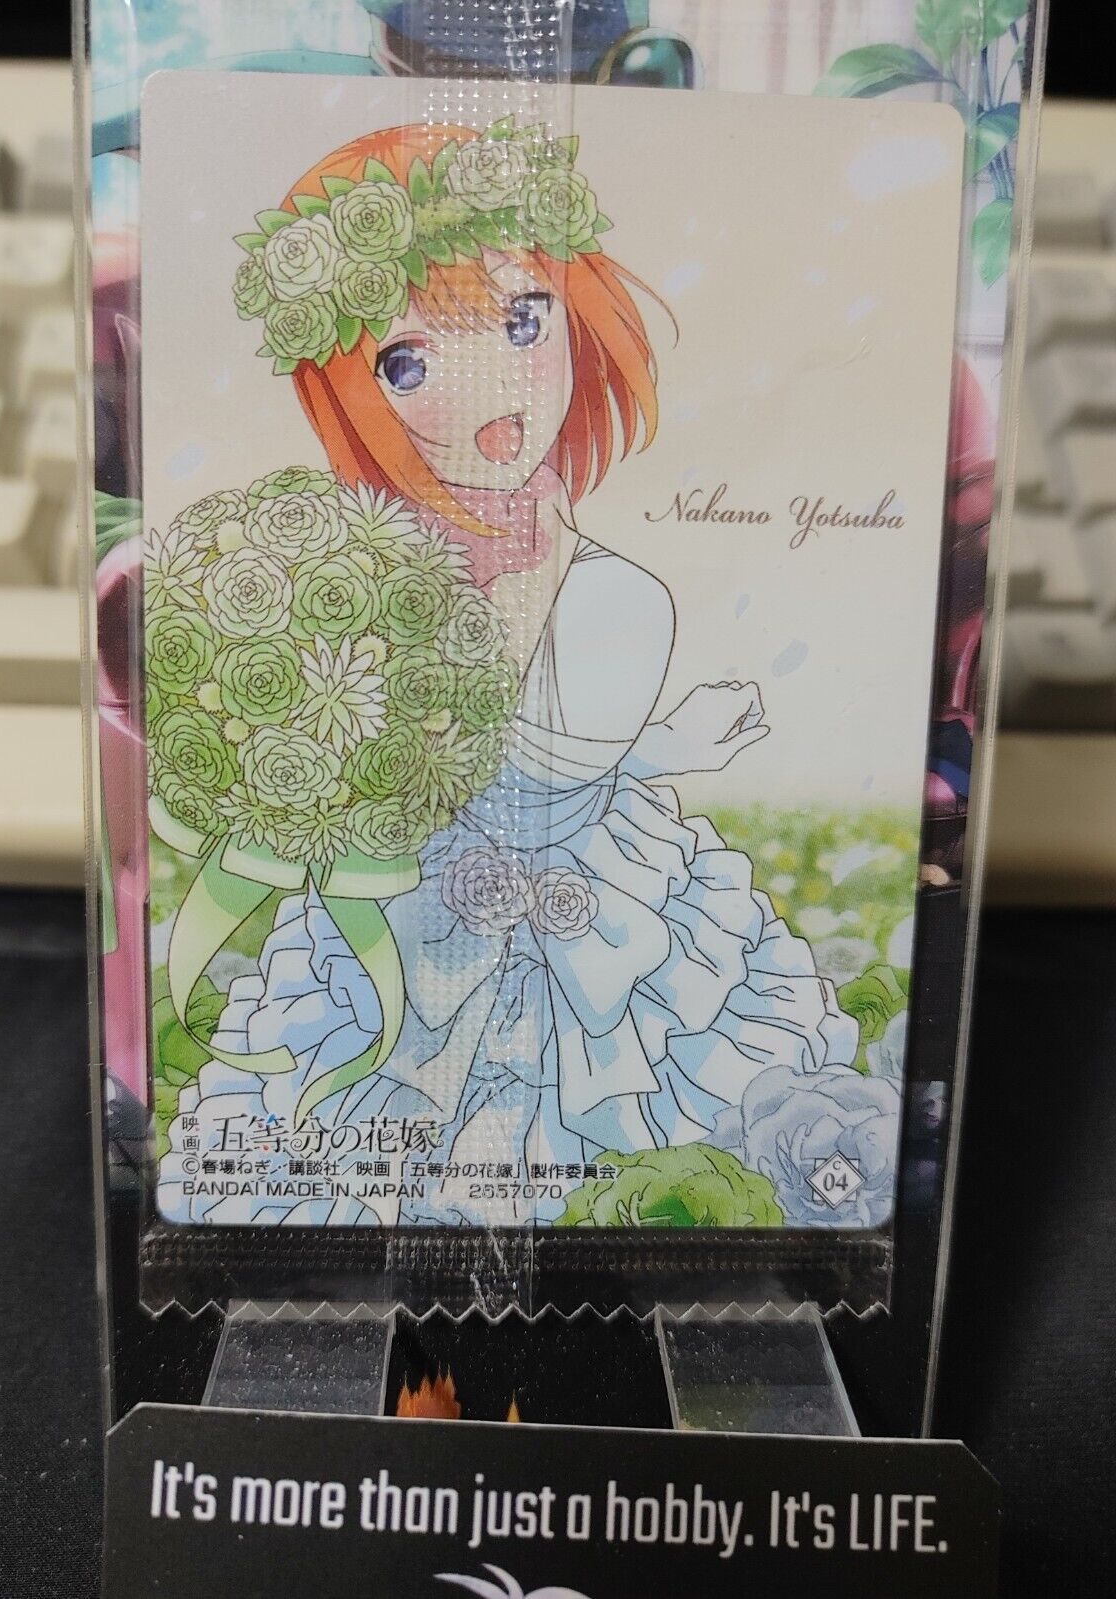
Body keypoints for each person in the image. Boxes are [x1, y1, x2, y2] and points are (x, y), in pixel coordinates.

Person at [158, 116, 860, 1231]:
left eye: (523, 320)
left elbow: (559, 770)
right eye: (408, 361)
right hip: (417, 896)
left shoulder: (615, 596)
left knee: (626, 1095)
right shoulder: (364, 579)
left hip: (594, 895)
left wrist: (645, 739)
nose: (495, 392)